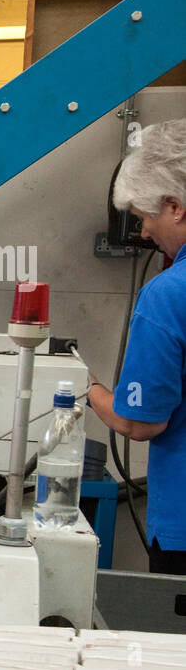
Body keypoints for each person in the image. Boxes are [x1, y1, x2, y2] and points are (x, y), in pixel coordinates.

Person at [90, 118, 186, 575]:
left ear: (175, 206)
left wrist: (84, 388)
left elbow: (138, 423)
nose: (144, 232)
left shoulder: (169, 295)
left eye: (146, 216)